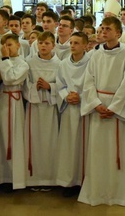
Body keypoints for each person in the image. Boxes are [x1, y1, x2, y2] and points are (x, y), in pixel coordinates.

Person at [78, 16, 125, 206]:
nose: (103, 32)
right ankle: (96, 192)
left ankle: (117, 193)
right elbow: (89, 80)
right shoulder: (96, 54)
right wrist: (95, 103)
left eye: (108, 29)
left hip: (116, 109)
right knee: (98, 152)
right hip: (99, 107)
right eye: (102, 29)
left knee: (117, 153)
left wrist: (115, 106)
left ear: (118, 33)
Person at [55, 32, 91, 197]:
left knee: (84, 145)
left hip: (84, 108)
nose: (72, 46)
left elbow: (94, 83)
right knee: (68, 145)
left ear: (85, 45)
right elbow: (60, 85)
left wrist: (82, 96)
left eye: (77, 43)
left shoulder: (91, 63)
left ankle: (83, 180)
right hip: (69, 108)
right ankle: (68, 181)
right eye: (71, 43)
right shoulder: (63, 64)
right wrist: (66, 96)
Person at [24, 31, 61, 189]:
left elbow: (63, 85)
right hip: (35, 107)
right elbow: (24, 84)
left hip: (51, 109)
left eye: (47, 43)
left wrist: (50, 87)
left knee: (50, 143)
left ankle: (50, 179)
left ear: (53, 45)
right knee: (33, 142)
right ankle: (34, 178)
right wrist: (34, 87)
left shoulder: (59, 64)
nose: (43, 46)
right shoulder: (29, 62)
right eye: (40, 43)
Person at [0, 33, 30, 190]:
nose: (6, 49)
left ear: (18, 45)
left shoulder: (23, 64)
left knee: (14, 138)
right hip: (0, 100)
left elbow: (10, 78)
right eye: (4, 46)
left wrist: (4, 60)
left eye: (10, 45)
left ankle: (14, 178)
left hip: (14, 103)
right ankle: (0, 176)